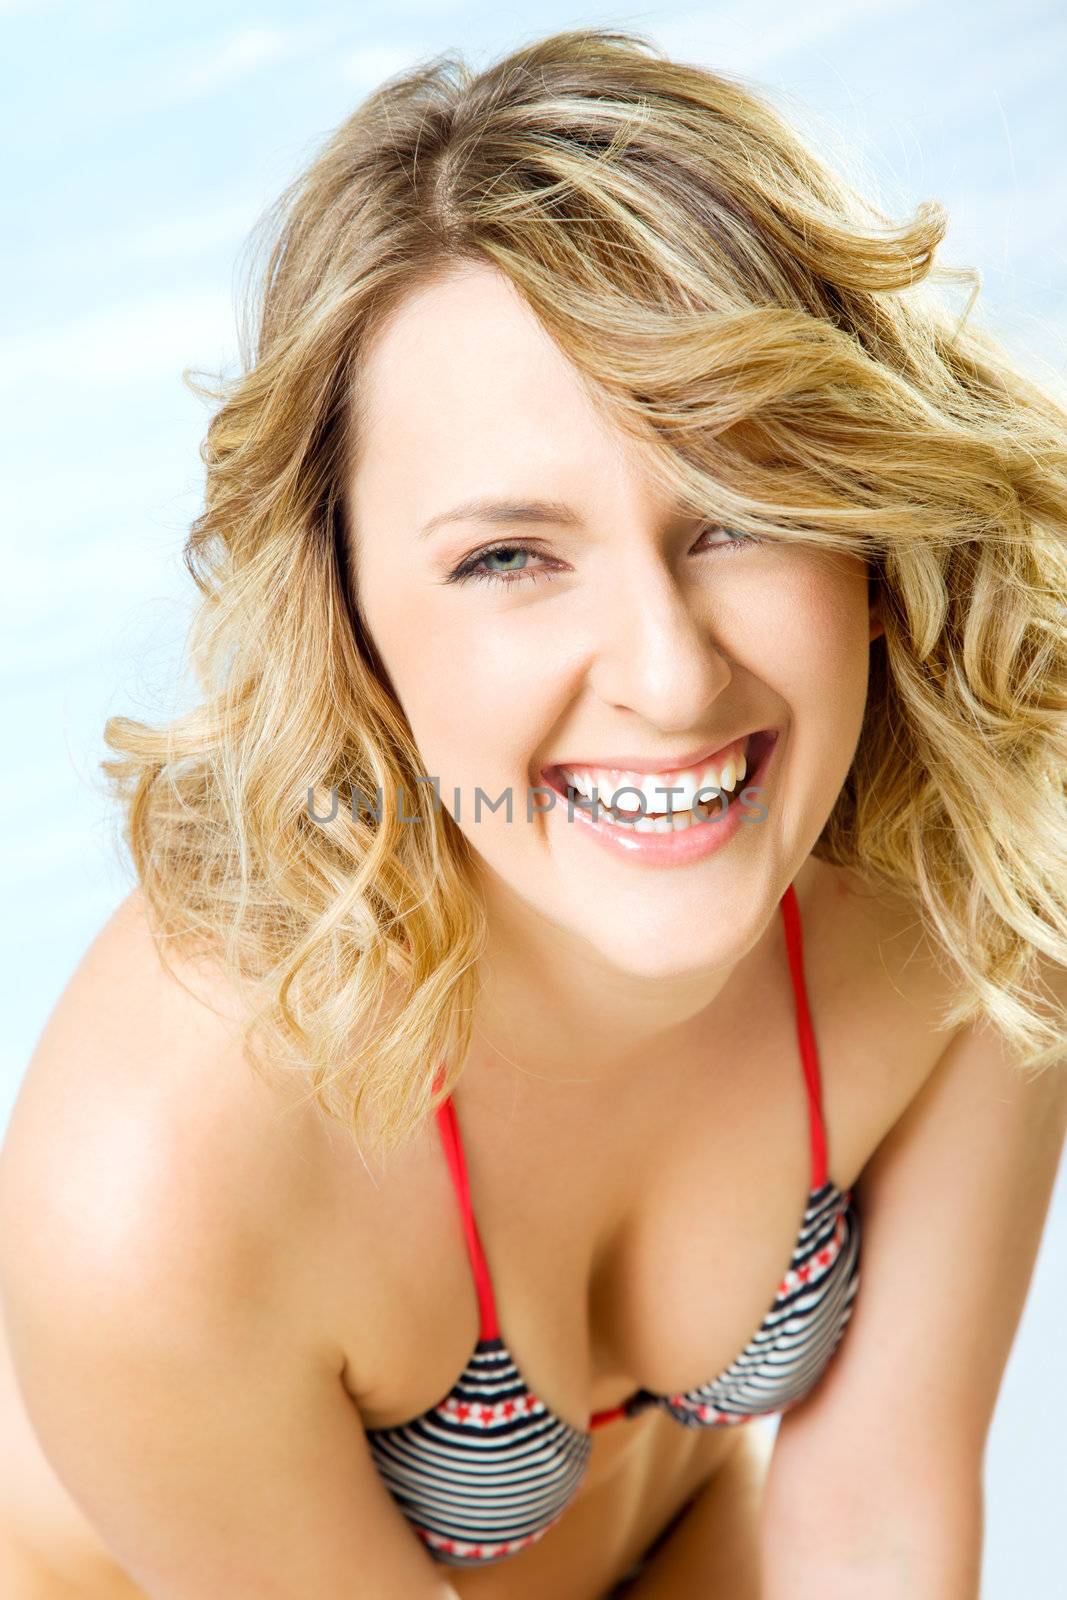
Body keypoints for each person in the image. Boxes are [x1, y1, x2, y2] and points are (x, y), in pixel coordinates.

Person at [2, 24, 1066, 1600]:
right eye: (510, 555)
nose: (666, 673)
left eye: (746, 512)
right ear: (349, 614)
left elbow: (879, 1524)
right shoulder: (163, 1178)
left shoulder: (981, 871)